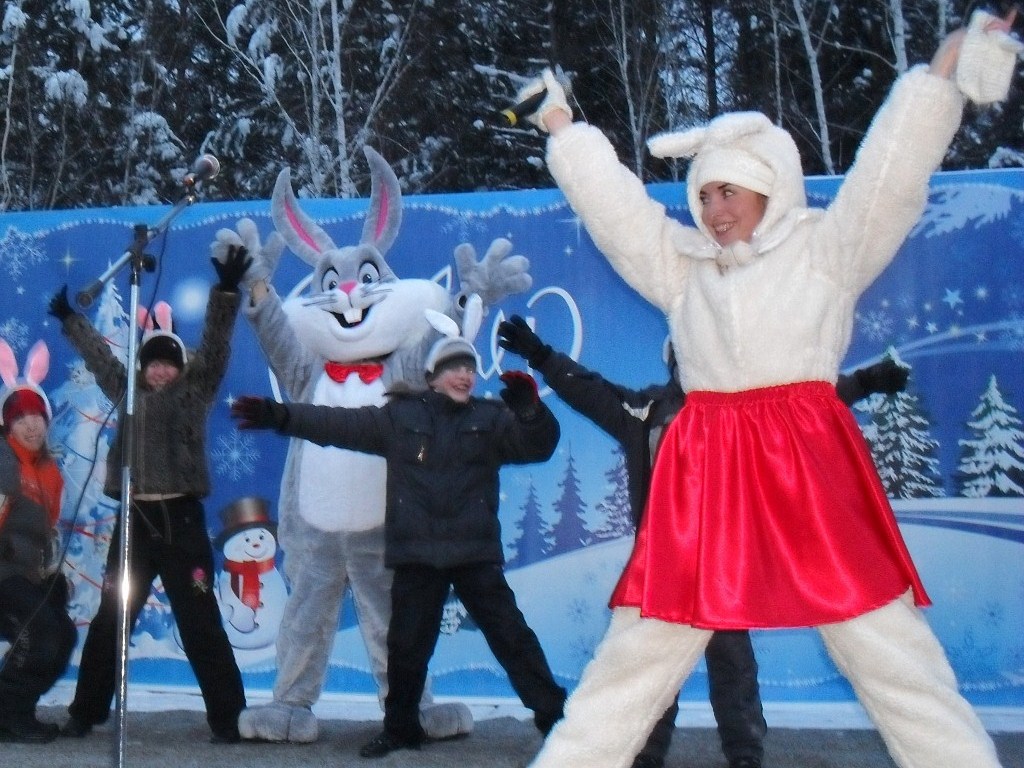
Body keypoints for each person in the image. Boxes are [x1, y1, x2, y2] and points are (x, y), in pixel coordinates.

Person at [511, 9, 1018, 768]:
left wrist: (940, 74)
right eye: (704, 196)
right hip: (707, 464)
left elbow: (889, 178)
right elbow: (617, 213)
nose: (715, 212)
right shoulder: (683, 269)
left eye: (730, 192)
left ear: (769, 186)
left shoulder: (827, 252)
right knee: (641, 649)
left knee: (887, 647)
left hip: (805, 457)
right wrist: (561, 126)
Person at [497, 316, 909, 768]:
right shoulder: (646, 411)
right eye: (687, 351)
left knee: (733, 662)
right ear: (674, 361)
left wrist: (866, 382)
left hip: (724, 562)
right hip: (664, 565)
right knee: (650, 667)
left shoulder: (744, 409)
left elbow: (800, 402)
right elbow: (590, 391)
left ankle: (745, 754)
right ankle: (645, 754)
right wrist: (540, 355)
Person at [230, 333, 567, 759]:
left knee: (512, 639)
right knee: (405, 649)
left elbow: (540, 445)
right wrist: (279, 415)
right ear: (432, 376)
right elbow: (336, 424)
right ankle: (401, 730)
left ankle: (556, 719)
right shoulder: (401, 417)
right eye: (454, 367)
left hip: (473, 555)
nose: (464, 375)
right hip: (418, 556)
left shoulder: (492, 418)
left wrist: (531, 411)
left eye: (469, 368)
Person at [46, 245, 252, 743]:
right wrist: (72, 321)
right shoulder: (127, 393)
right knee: (112, 618)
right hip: (134, 524)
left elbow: (216, 350)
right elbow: (100, 359)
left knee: (200, 618)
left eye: (168, 364)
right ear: (142, 367)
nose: (160, 371)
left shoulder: (195, 393)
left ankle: (229, 718)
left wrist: (225, 293)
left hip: (182, 524)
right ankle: (85, 712)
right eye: (152, 364)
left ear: (180, 369)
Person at [0, 343, 77, 744]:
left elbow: (46, 531)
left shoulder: (49, 472)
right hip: (3, 574)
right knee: (42, 633)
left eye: (37, 416)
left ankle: (17, 709)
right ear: (7, 425)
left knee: (62, 635)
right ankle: (8, 714)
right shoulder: (4, 461)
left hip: (25, 574)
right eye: (20, 418)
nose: (31, 426)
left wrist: (49, 573)